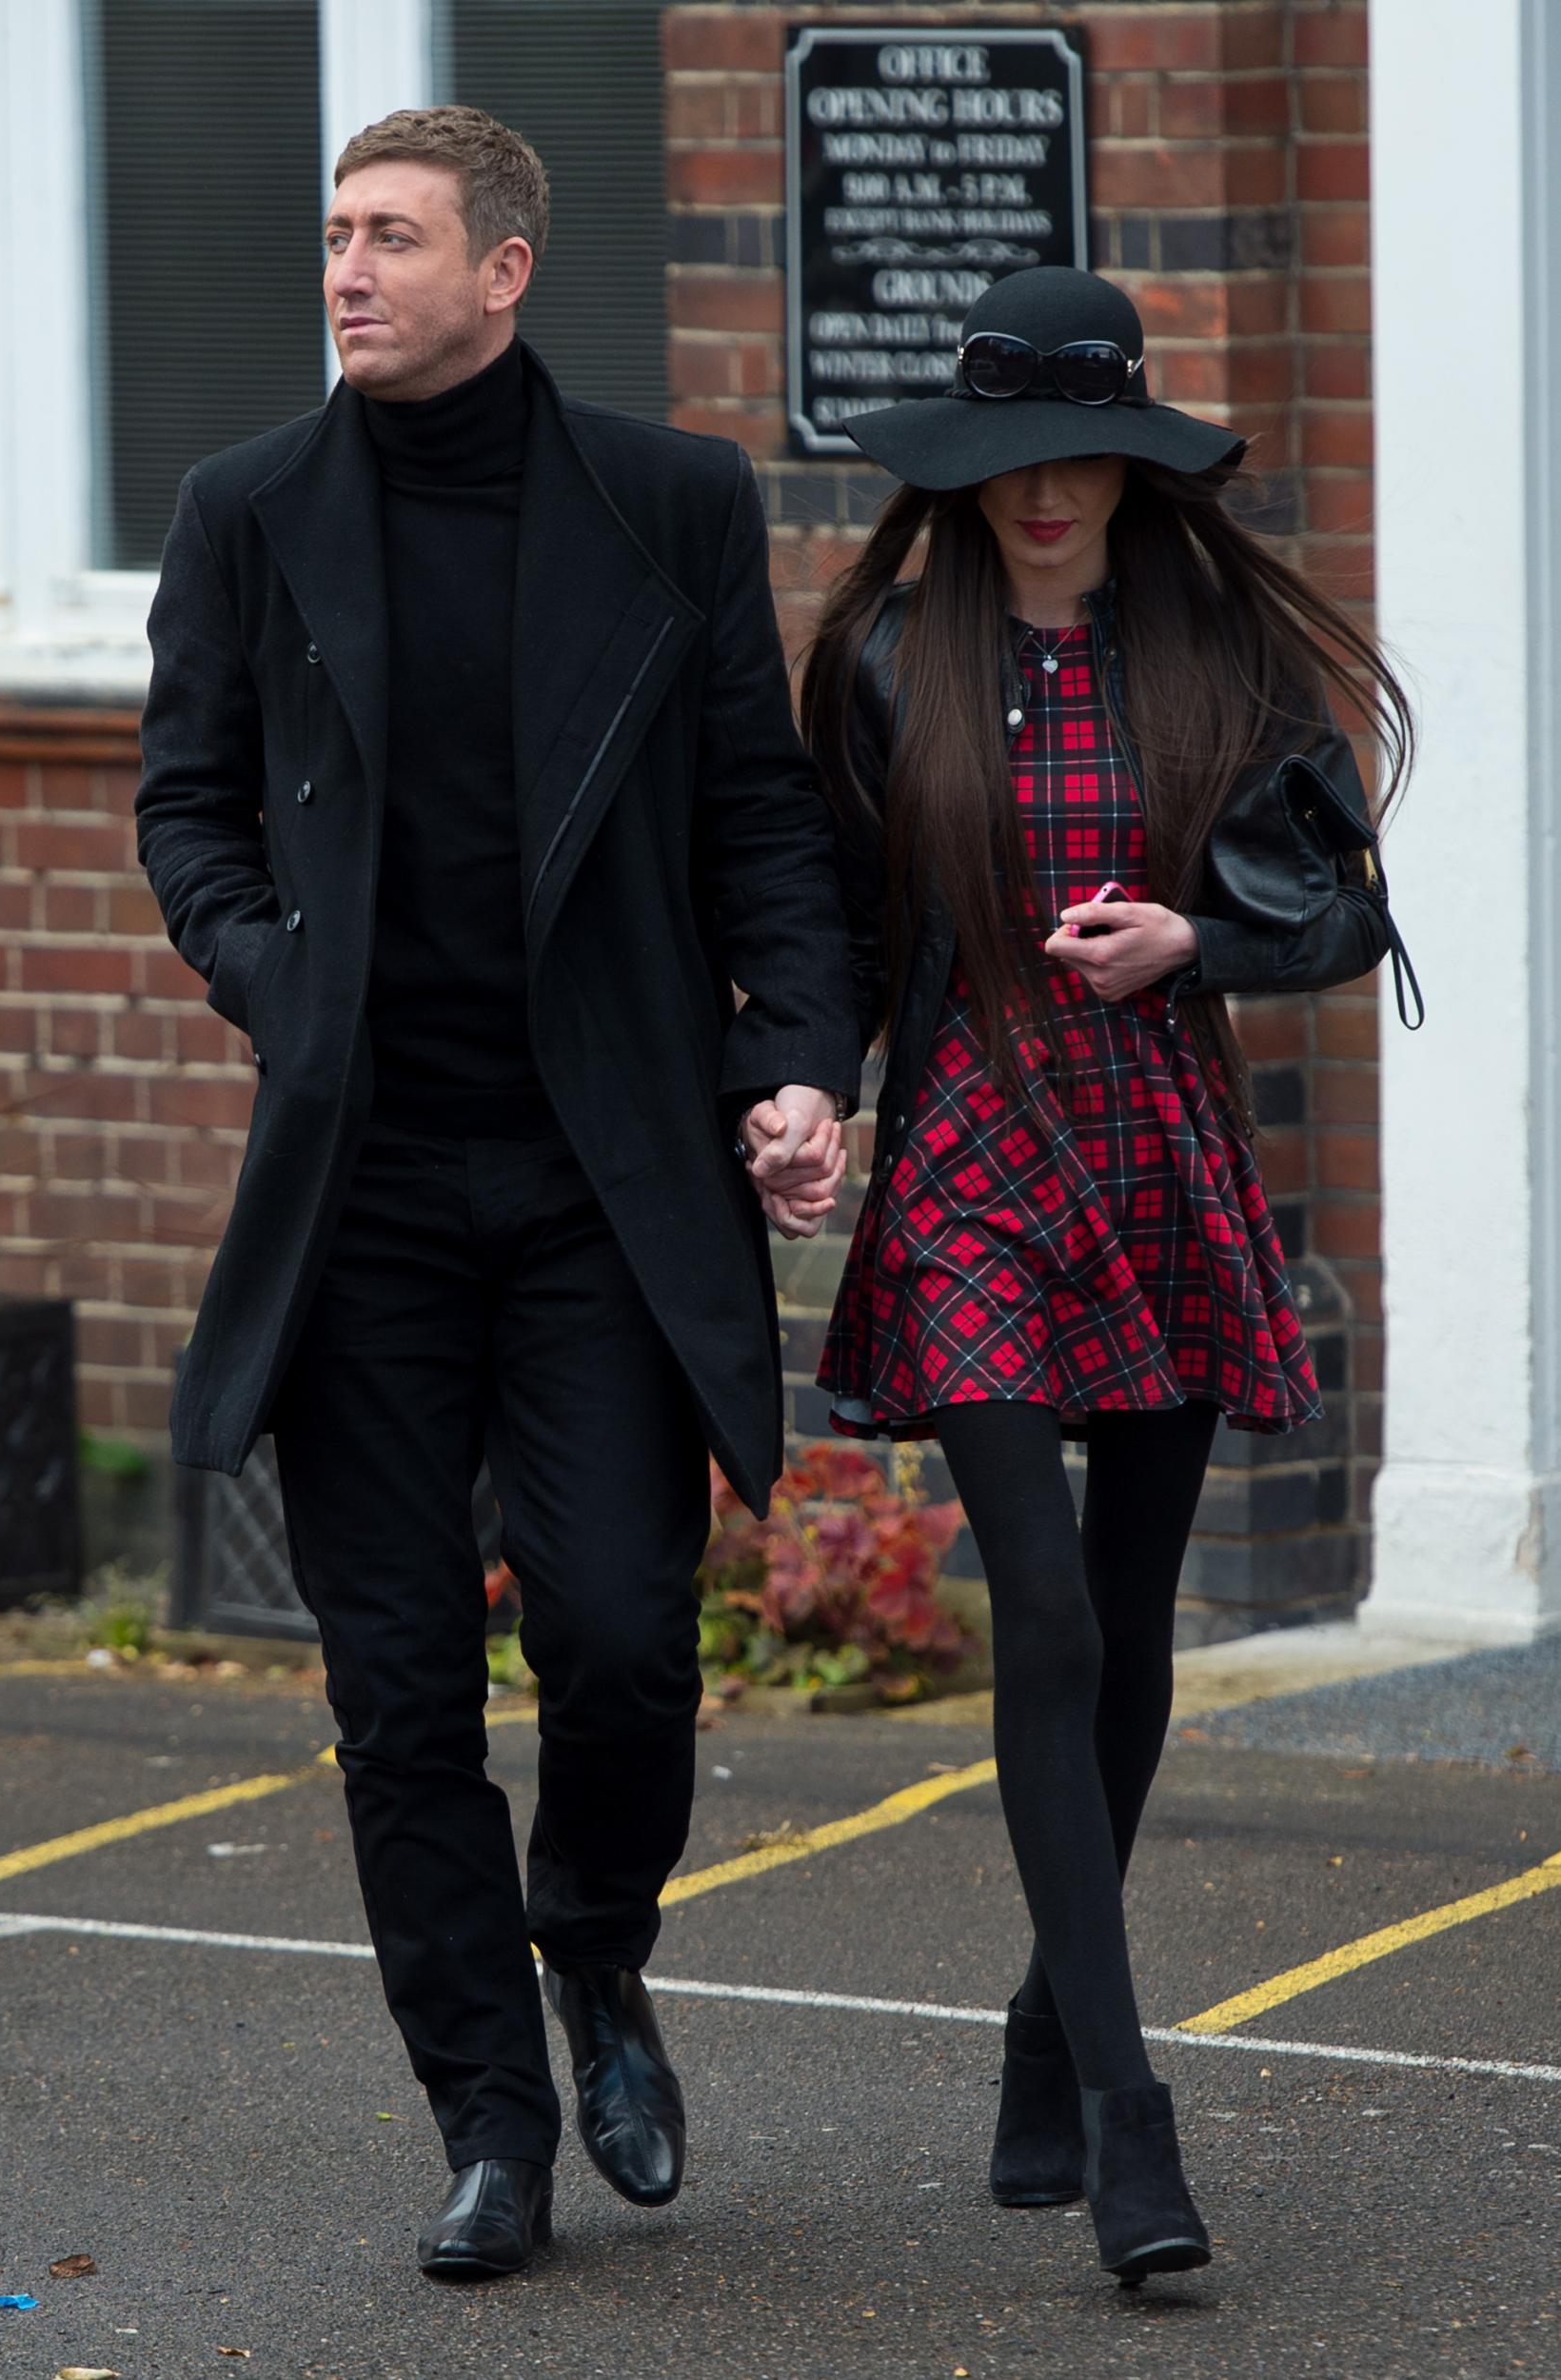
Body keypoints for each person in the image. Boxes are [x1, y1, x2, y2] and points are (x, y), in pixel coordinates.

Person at [135, 105, 859, 2279]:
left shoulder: (668, 501)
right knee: (399, 1689)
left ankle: (596, 1946)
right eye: (334, 233)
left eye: (391, 237)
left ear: (507, 268)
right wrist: (287, 986)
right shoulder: (245, 510)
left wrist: (801, 1058)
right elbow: (189, 816)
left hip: (598, 1184)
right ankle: (490, 2117)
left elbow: (765, 819)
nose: (346, 271)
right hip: (360, 1190)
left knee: (629, 1642)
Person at [797, 268, 1414, 2285]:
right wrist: (796, 1095)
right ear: (956, 478)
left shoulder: (1215, 648)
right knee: (1044, 1617)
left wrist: (1196, 949)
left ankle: (1044, 2020)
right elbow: (816, 912)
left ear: (1132, 462)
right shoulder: (887, 654)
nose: (1043, 491)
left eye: (1077, 456)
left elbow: (1340, 913)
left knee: (1134, 1625)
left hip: (1157, 1141)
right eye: (1003, 462)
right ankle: (1132, 2110)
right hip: (975, 1148)